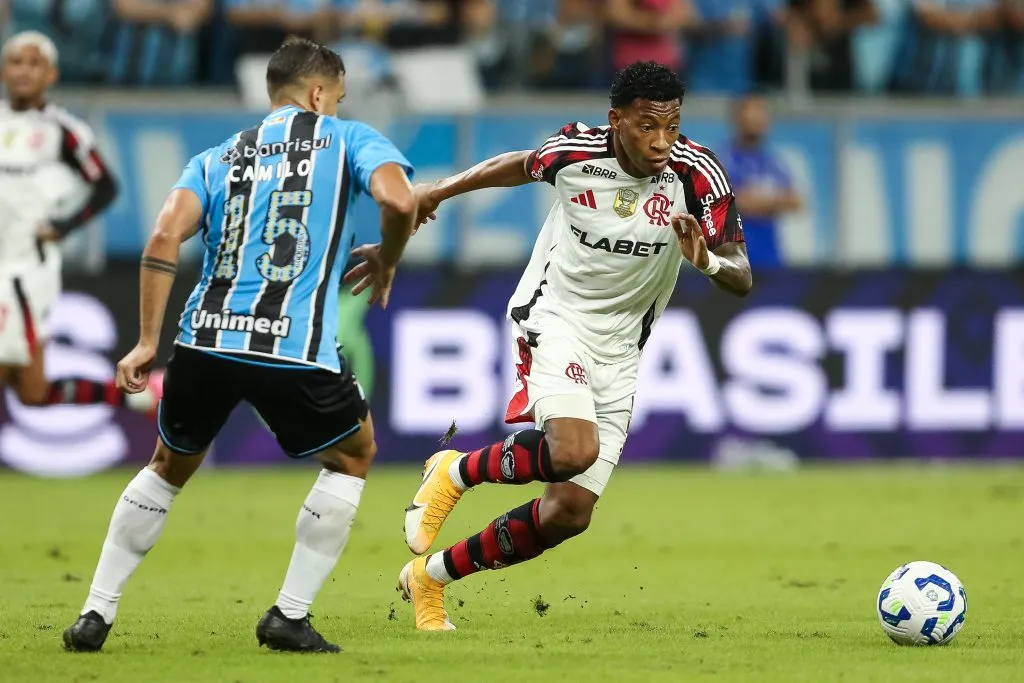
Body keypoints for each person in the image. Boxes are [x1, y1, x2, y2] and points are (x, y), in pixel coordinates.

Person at [62, 35, 417, 654]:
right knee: (353, 454)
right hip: (294, 349)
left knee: (167, 468)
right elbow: (398, 199)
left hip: (204, 341)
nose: (335, 105)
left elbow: (162, 237)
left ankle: (96, 612)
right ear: (316, 93)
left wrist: (147, 342)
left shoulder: (218, 156)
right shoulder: (352, 139)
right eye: (335, 96)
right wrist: (386, 260)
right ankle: (289, 615)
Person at [398, 60, 753, 631]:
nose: (661, 142)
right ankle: (457, 473)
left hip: (622, 349)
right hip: (555, 317)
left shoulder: (697, 175)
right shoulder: (573, 153)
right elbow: (516, 165)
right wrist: (441, 189)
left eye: (672, 126)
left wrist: (707, 259)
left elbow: (741, 274)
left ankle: (430, 578)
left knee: (569, 512)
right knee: (571, 451)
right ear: (616, 121)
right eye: (646, 127)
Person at [0, 32, 154, 414]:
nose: (23, 71)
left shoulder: (62, 131)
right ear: (4, 70)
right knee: (33, 393)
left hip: (23, 272)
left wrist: (63, 227)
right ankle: (133, 395)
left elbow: (105, 186)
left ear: (51, 75)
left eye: (34, 63)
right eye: (16, 62)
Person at [718, 94, 802, 268]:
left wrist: (757, 200)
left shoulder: (772, 161)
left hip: (771, 259)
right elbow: (731, 202)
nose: (760, 117)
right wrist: (772, 201)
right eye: (754, 110)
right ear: (738, 117)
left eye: (763, 111)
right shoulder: (724, 160)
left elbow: (795, 201)